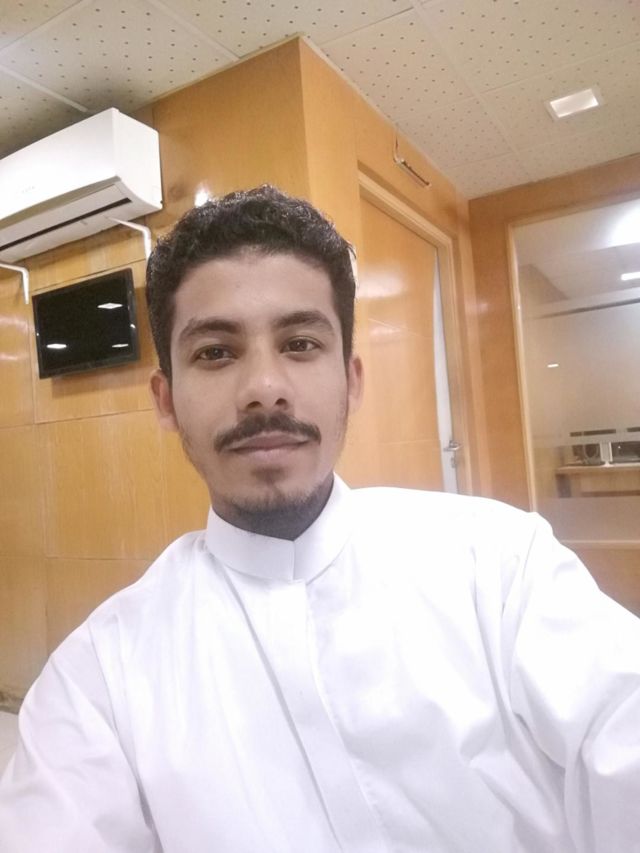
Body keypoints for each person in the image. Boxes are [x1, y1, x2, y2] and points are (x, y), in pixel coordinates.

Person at [1, 186, 639, 853]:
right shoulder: (100, 677)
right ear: (166, 401)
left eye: (300, 343)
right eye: (215, 352)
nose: (264, 388)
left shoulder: (500, 568)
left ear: (351, 380)